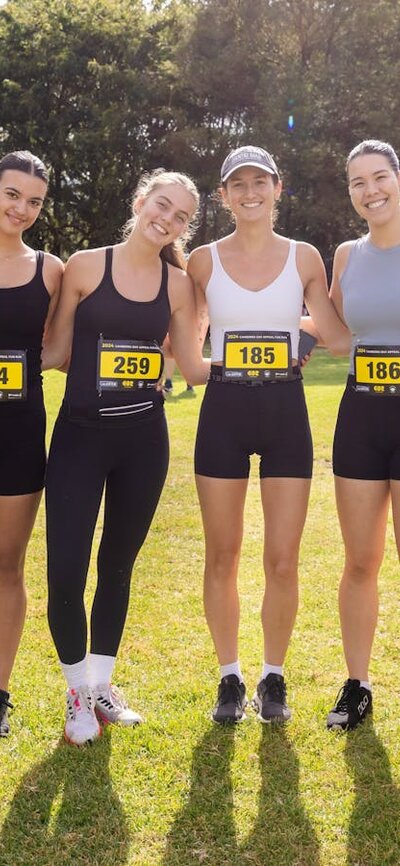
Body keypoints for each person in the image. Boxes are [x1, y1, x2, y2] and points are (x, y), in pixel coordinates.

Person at [42, 168, 209, 746]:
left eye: (181, 215)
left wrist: (282, 352)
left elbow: (192, 369)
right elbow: (57, 351)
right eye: (161, 204)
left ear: (185, 226)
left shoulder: (179, 287)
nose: (167, 218)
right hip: (79, 438)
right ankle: (75, 692)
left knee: (116, 567)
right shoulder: (86, 265)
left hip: (143, 443)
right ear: (140, 201)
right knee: (65, 570)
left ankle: (103, 687)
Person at [188, 145, 349, 724]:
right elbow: (188, 352)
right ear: (223, 195)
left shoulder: (305, 257)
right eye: (238, 184)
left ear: (279, 189)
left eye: (261, 182)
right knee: (222, 555)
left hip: (286, 413)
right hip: (223, 413)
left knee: (283, 559)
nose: (250, 192)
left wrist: (298, 333)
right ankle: (230, 678)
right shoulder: (201, 262)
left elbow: (336, 335)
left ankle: (273, 677)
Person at [326, 139, 400, 730]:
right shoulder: (346, 255)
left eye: (380, 177)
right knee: (360, 560)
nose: (370, 190)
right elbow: (330, 329)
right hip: (360, 415)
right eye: (358, 182)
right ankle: (358, 684)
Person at [0, 150, 63, 737]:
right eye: (12, 193)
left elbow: (63, 347)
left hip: (19, 433)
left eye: (34, 201)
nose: (21, 208)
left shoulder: (49, 270)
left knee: (7, 566)